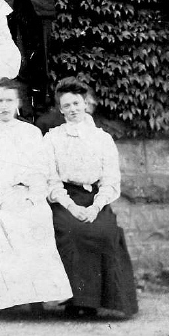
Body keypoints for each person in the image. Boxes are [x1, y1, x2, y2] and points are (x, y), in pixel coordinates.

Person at [45, 77, 138, 317]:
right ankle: (76, 301)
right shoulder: (52, 138)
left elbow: (110, 180)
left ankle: (99, 301)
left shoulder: (102, 138)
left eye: (76, 103)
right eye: (66, 105)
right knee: (72, 231)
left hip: (95, 198)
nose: (72, 109)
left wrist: (96, 207)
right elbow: (51, 180)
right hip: (65, 199)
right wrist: (71, 206)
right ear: (60, 109)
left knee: (104, 231)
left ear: (85, 103)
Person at [0, 78, 71, 310]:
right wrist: (0, 201)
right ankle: (13, 298)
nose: (4, 106)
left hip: (29, 196)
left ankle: (40, 296)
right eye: (0, 101)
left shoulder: (31, 133)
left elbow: (41, 172)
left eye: (9, 100)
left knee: (37, 219)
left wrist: (32, 197)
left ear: (18, 103)